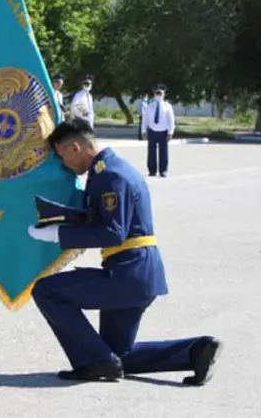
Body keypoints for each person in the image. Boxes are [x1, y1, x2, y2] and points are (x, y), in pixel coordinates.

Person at [27, 119, 223, 384]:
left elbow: (112, 232)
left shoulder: (110, 176)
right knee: (117, 355)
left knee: (46, 291)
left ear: (75, 148)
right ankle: (194, 351)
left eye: (62, 157)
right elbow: (101, 220)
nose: (65, 165)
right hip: (137, 272)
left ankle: (94, 363)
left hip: (128, 274)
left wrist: (57, 235)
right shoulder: (108, 171)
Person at [141, 84, 175, 177]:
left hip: (163, 132)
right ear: (154, 94)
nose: (158, 95)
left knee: (163, 152)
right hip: (152, 131)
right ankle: (152, 170)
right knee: (151, 152)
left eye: (160, 93)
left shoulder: (167, 106)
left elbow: (171, 120)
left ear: (164, 95)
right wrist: (143, 131)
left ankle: (163, 170)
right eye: (157, 93)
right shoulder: (149, 106)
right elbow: (145, 120)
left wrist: (170, 132)